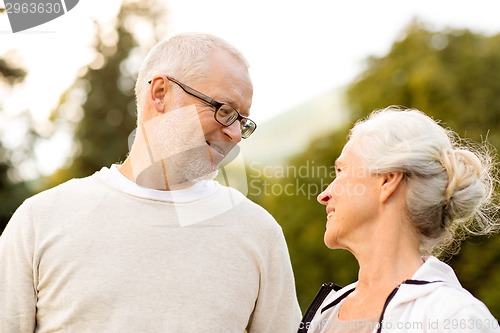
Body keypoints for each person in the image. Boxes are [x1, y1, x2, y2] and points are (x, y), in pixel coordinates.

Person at [0, 32, 302, 332]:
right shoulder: (39, 220)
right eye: (224, 111)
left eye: (242, 121)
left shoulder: (260, 233)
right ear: (160, 93)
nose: (235, 135)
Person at [298, 106, 500, 333]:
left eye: (341, 172)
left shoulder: (454, 317)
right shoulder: (325, 314)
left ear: (388, 180)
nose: (323, 195)